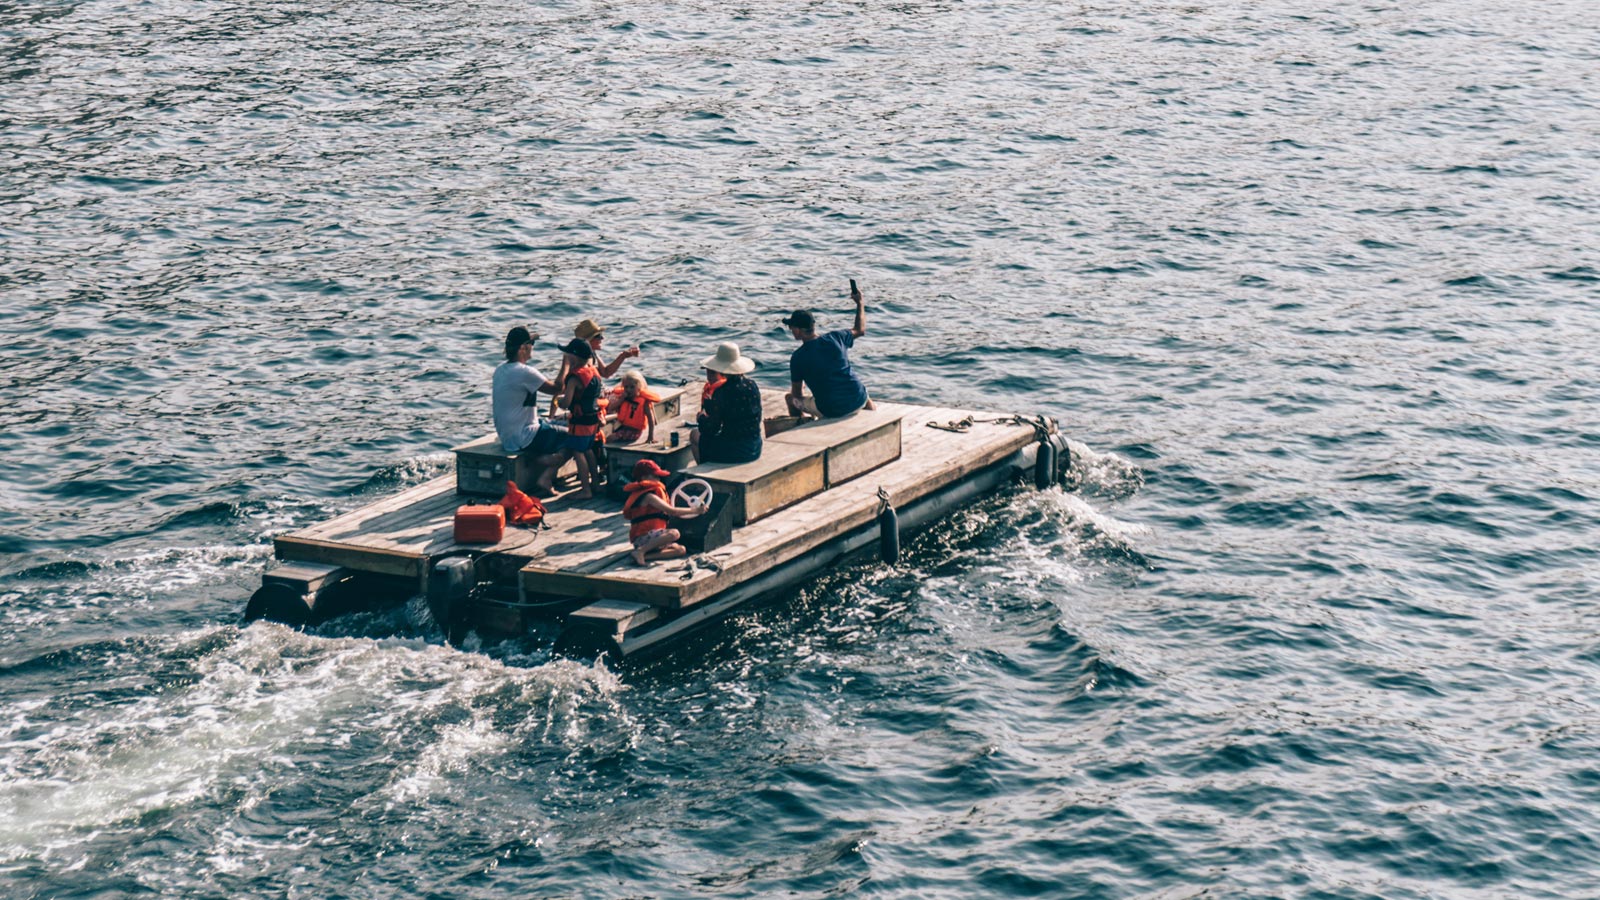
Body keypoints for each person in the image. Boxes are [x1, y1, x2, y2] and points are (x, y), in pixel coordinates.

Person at [491, 326, 571, 494]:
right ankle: (546, 473)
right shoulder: (524, 372)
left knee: (559, 422)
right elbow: (557, 389)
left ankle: (538, 459)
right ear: (523, 348)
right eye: (531, 343)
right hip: (524, 435)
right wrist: (566, 363)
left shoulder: (500, 370)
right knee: (577, 436)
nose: (533, 347)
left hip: (507, 436)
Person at [784, 280, 875, 419]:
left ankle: (799, 425)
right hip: (858, 398)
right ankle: (873, 417)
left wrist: (800, 392)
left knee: (791, 399)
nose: (790, 330)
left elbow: (797, 394)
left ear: (797, 330)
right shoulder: (837, 337)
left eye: (791, 328)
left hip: (831, 409)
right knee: (860, 392)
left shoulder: (798, 357)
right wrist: (860, 303)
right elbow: (860, 329)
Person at [550, 318, 639, 416]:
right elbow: (560, 387)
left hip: (597, 395)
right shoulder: (574, 358)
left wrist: (623, 356)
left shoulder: (593, 354)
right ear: (588, 340)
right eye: (598, 336)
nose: (602, 339)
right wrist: (552, 416)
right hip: (590, 401)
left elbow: (605, 372)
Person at [622, 459, 704, 566]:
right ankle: (641, 551)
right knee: (674, 533)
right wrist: (695, 510)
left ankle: (644, 556)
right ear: (644, 478)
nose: (659, 479)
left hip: (654, 537)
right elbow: (672, 511)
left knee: (681, 550)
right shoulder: (649, 496)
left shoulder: (653, 492)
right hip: (642, 538)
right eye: (655, 476)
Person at [691, 342, 762, 464]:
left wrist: (701, 418)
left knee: (695, 435)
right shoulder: (752, 385)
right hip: (755, 447)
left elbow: (711, 429)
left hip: (736, 451)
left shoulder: (722, 392)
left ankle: (702, 469)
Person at [558, 338, 604, 499]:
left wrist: (558, 401)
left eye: (568, 353)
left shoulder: (575, 377)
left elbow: (566, 403)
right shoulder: (594, 371)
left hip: (580, 422)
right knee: (589, 450)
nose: (566, 356)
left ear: (574, 357)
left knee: (578, 453)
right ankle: (596, 484)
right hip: (593, 420)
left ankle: (586, 490)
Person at [608, 371, 661, 445]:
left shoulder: (643, 402)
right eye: (626, 387)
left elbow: (650, 418)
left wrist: (650, 437)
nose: (628, 390)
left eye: (632, 387)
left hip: (635, 431)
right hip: (623, 427)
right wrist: (621, 400)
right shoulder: (624, 397)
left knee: (610, 438)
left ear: (639, 387)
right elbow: (611, 408)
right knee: (606, 436)